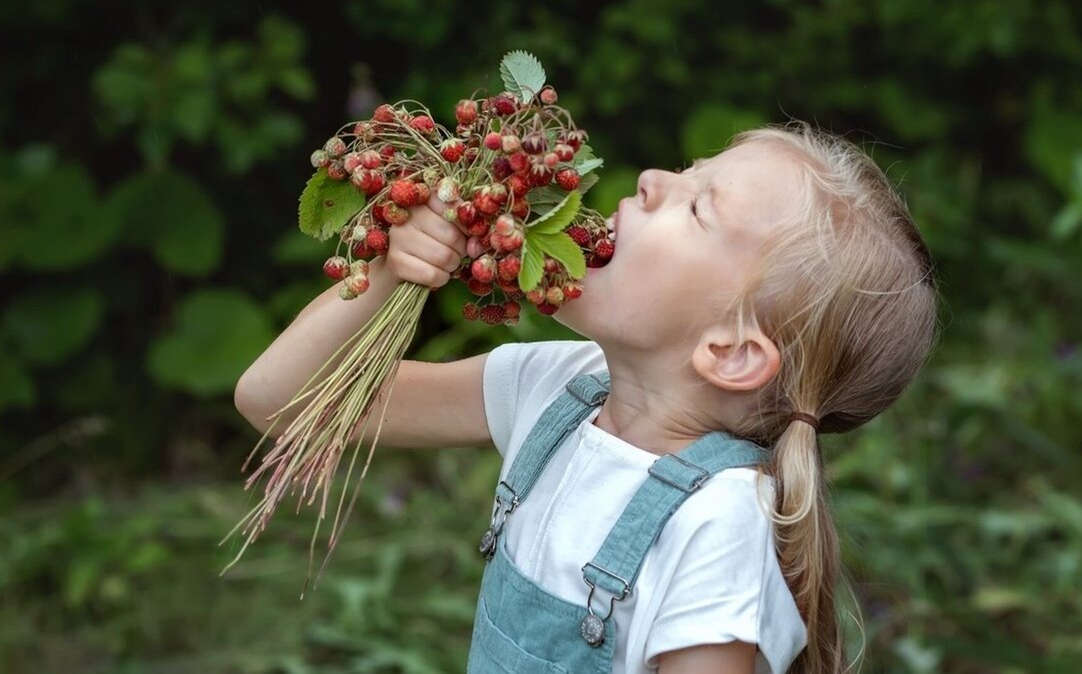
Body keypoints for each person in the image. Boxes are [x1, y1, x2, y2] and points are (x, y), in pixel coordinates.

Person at [235, 120, 940, 674]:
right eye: (685, 170)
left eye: (698, 206)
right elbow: (285, 401)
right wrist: (392, 269)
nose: (653, 178)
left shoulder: (719, 529)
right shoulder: (557, 387)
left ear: (729, 350)